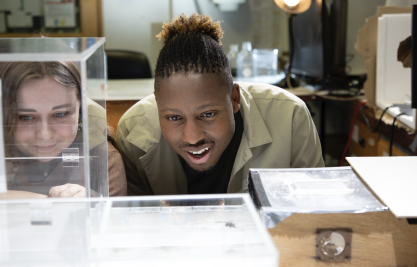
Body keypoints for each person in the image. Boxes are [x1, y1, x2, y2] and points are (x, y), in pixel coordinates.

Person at [116, 13, 323, 196]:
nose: (193, 137)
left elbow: (314, 211)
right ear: (157, 102)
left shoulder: (290, 117)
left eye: (208, 115)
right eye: (174, 118)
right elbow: (137, 224)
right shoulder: (132, 132)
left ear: (234, 99)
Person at [0, 61, 127, 197]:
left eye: (60, 114)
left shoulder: (102, 158)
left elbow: (117, 235)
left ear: (80, 108)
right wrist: (37, 201)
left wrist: (93, 204)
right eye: (25, 117)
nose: (44, 135)